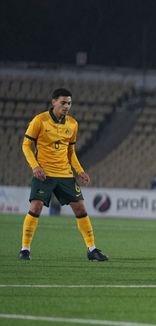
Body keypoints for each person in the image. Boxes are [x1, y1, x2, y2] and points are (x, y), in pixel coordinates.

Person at [18, 88, 108, 261]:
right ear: (53, 102)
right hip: (44, 174)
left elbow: (71, 151)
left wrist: (80, 171)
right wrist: (35, 166)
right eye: (63, 102)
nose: (67, 106)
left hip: (65, 174)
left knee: (81, 208)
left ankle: (92, 249)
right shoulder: (40, 120)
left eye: (69, 103)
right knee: (36, 207)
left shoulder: (73, 124)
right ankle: (25, 250)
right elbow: (26, 145)